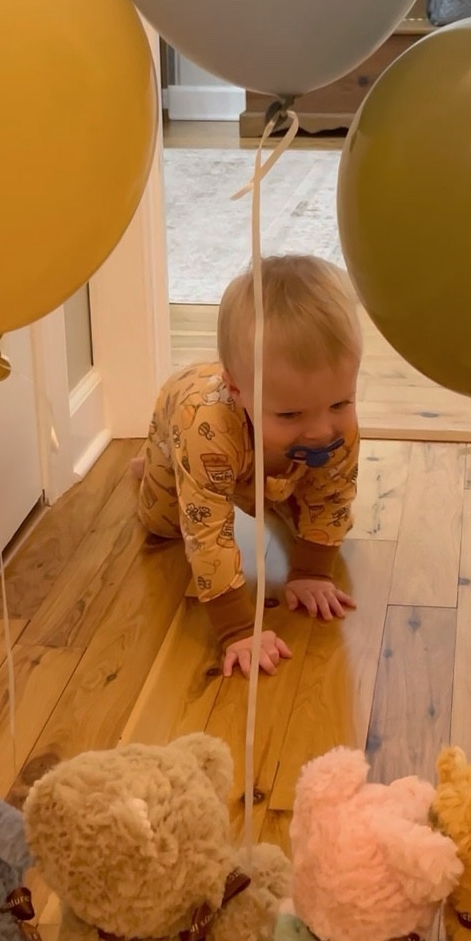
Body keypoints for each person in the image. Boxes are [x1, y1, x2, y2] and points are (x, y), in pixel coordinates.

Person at [134, 255, 361, 676]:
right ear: (237, 390)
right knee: (163, 521)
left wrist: (311, 571)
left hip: (267, 461)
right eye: (291, 415)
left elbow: (335, 493)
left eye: (340, 403)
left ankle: (268, 475)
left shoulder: (328, 423)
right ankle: (153, 464)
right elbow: (207, 537)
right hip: (190, 437)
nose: (321, 429)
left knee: (308, 510)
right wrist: (237, 627)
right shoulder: (205, 428)